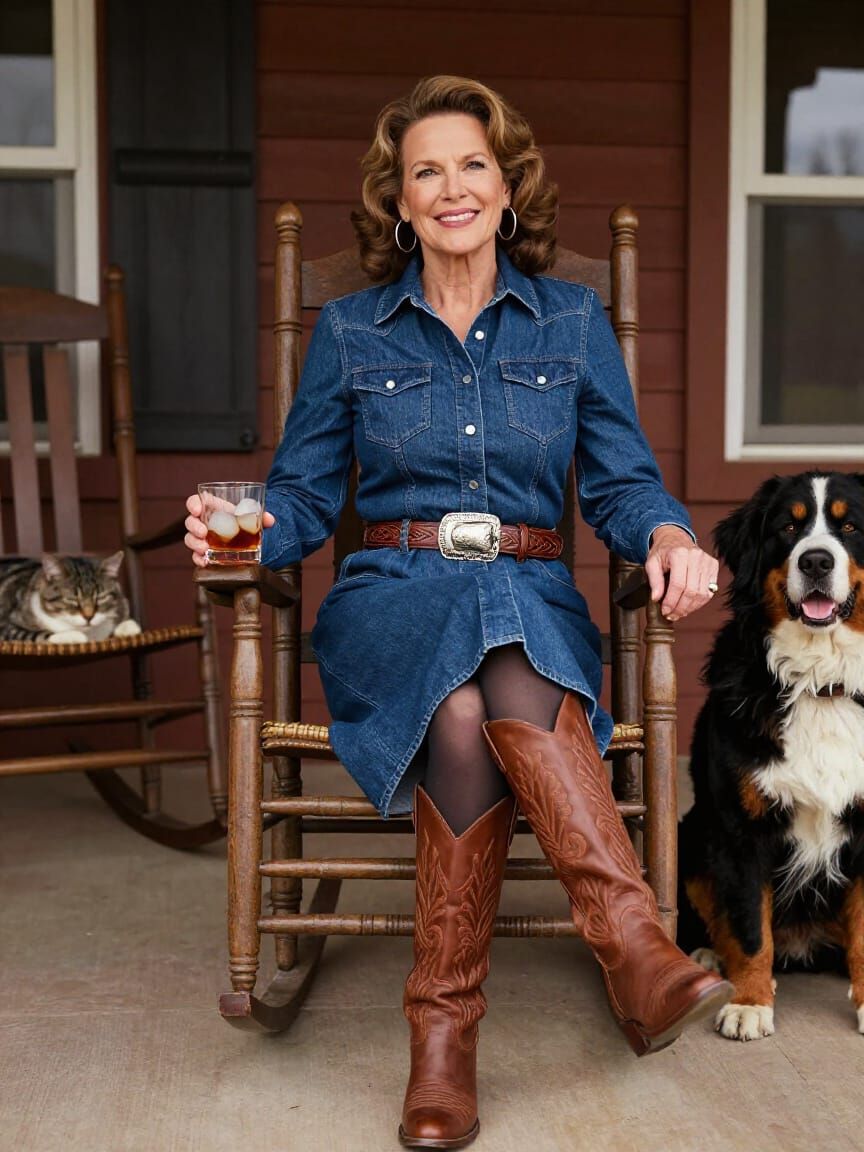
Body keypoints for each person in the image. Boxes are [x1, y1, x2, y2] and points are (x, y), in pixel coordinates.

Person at [185, 75, 732, 1150]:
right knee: (468, 646)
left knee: (468, 710)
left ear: (507, 186)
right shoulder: (350, 332)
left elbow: (622, 486)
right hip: (387, 605)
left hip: (532, 607)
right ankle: (632, 939)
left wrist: (668, 537)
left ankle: (442, 1040)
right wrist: (236, 530)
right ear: (397, 199)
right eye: (424, 170)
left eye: (471, 164)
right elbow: (300, 495)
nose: (450, 187)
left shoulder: (571, 321)